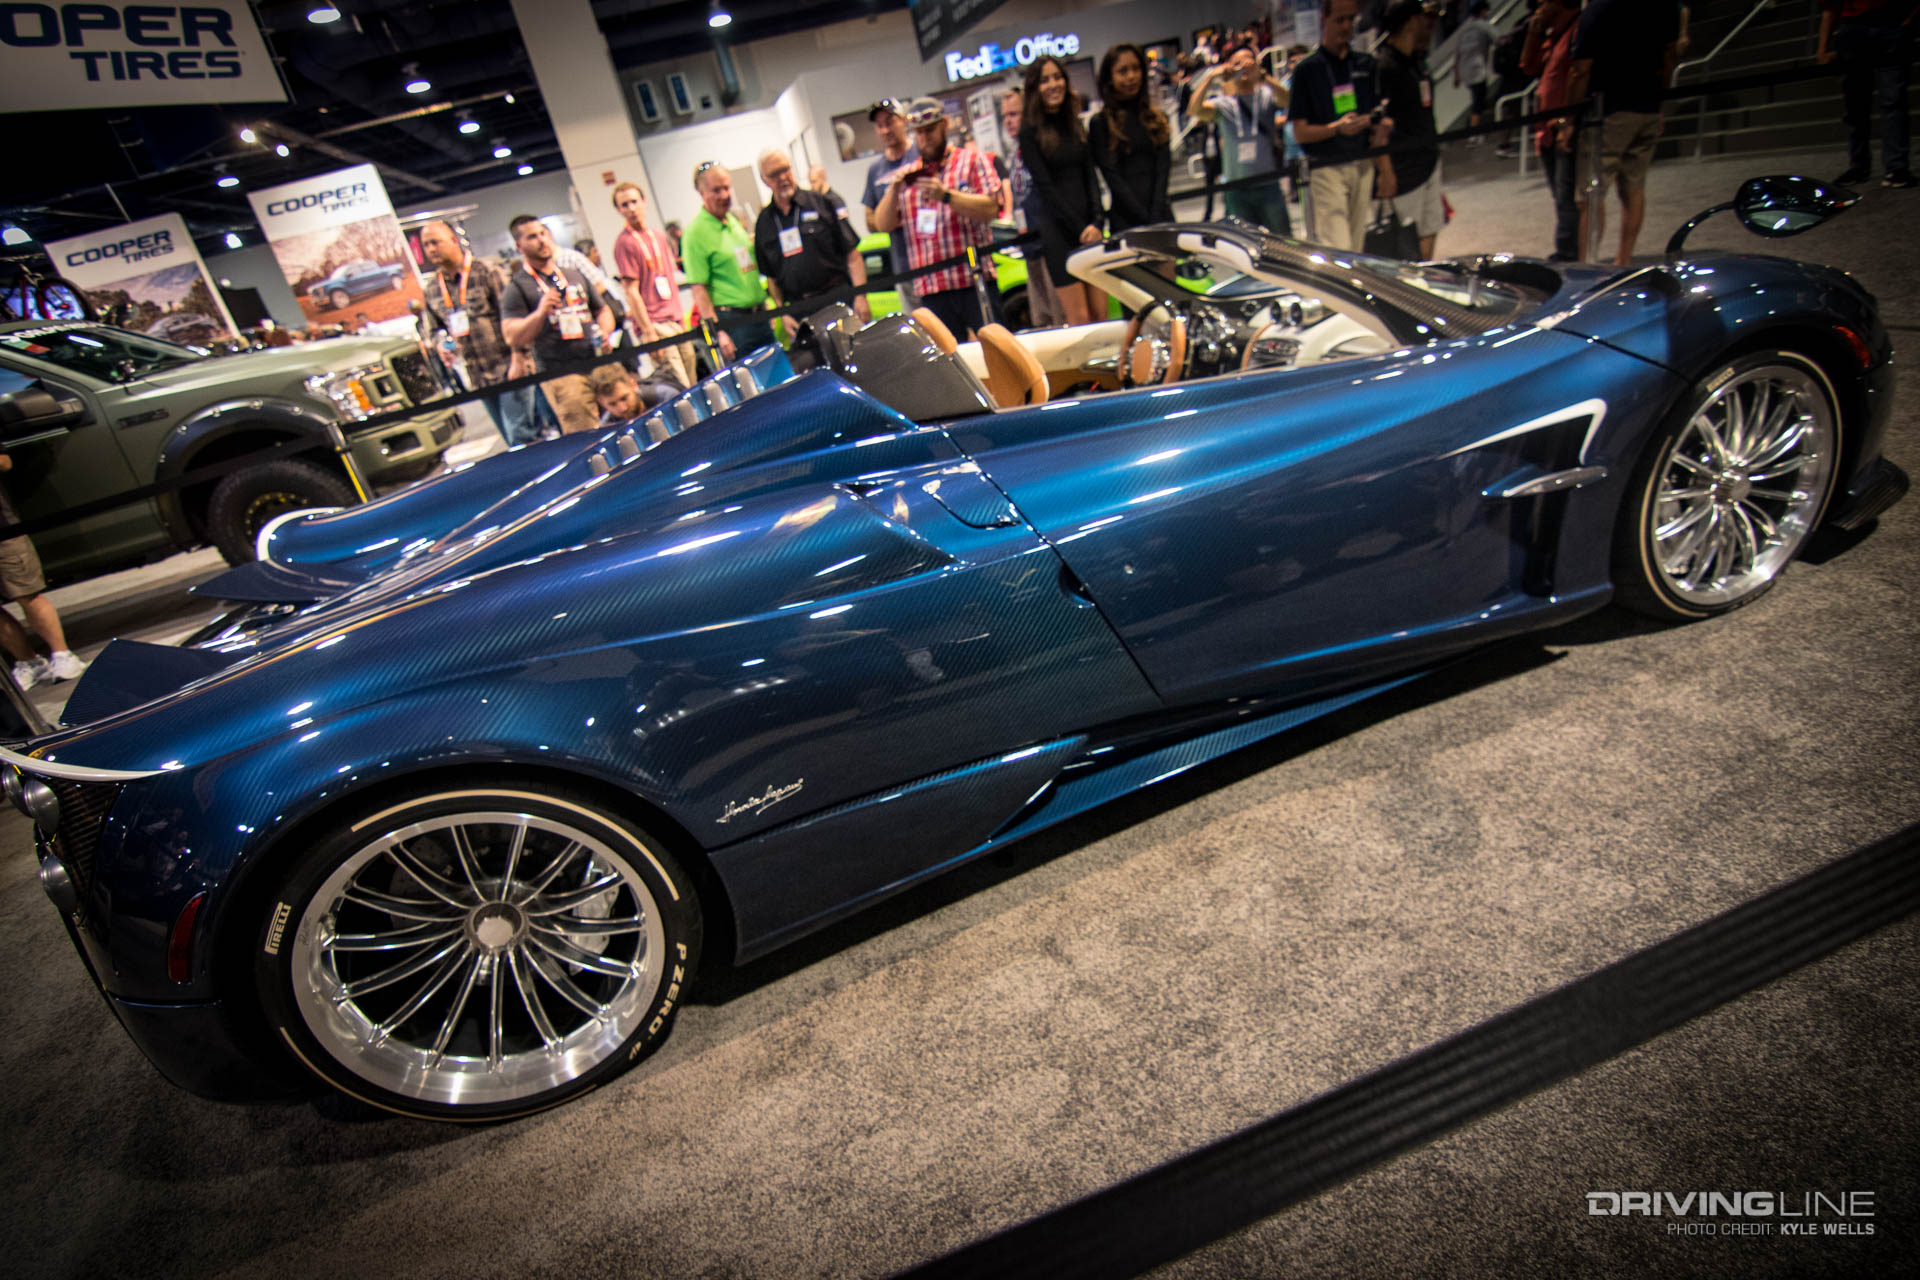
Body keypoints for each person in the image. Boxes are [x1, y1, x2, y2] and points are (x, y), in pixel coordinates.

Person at [1562, 0, 1682, 264]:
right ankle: (1623, 260)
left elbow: (1580, 70)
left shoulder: (1599, 8)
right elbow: (1670, 54)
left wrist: (1569, 120)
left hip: (1608, 112)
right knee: (1634, 188)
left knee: (1592, 195)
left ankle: (1588, 267)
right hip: (1647, 105)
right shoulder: (1664, 5)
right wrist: (1660, 99)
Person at [873, 98, 1003, 338]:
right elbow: (882, 224)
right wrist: (893, 191)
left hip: (973, 281)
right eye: (919, 133)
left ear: (944, 125)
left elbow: (992, 208)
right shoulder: (908, 175)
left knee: (995, 348)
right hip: (931, 290)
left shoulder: (972, 161)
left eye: (930, 130)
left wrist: (946, 196)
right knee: (947, 357)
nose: (925, 138)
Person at [500, 213, 620, 435]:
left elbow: (602, 310)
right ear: (519, 245)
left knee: (628, 414)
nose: (541, 240)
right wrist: (540, 313)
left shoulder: (572, 274)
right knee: (585, 435)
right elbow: (511, 336)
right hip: (561, 373)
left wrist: (605, 333)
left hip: (598, 360)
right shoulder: (517, 287)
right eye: (532, 237)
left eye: (543, 233)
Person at [1292, 0, 1396, 251]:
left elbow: (1378, 119)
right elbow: (1300, 132)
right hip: (1327, 168)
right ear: (1324, 20)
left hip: (1362, 163)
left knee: (1357, 247)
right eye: (1340, 20)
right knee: (1339, 246)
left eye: (1351, 19)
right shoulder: (1307, 70)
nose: (1346, 26)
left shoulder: (1365, 64)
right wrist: (1337, 128)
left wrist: (1384, 167)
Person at [417, 219, 528, 444]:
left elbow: (513, 319)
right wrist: (441, 344)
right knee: (509, 439)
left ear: (453, 240)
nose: (431, 249)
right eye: (426, 245)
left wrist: (520, 358)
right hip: (477, 377)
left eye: (435, 242)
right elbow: (434, 329)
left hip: (508, 368)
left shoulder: (486, 271)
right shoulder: (432, 288)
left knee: (520, 435)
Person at [1017, 59, 1105, 325]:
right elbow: (1046, 189)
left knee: (1101, 316)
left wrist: (1097, 221)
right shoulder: (1029, 133)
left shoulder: (1074, 123)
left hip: (1092, 229)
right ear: (1034, 88)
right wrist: (1081, 229)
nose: (1053, 84)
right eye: (1045, 80)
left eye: (1057, 77)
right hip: (1059, 233)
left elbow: (1091, 176)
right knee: (1081, 320)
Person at [753, 149, 869, 321]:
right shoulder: (764, 222)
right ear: (764, 179)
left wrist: (861, 297)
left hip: (837, 299)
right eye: (775, 174)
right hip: (799, 310)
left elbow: (852, 254)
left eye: (785, 169)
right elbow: (771, 277)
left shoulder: (821, 203)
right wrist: (782, 313)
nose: (783, 177)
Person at [0, 458, 85, 690]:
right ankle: (30, 662)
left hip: (4, 532)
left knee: (27, 594)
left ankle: (63, 655)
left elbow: (5, 462)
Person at [1190, 47, 1292, 234]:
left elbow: (1288, 100)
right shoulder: (1224, 104)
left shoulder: (1267, 95)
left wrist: (1263, 77)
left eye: (1248, 61)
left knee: (1282, 238)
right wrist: (1211, 77)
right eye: (1238, 63)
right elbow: (1194, 109)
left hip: (1267, 184)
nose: (1244, 67)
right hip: (1236, 188)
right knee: (1242, 241)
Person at [681, 161, 774, 362]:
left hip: (758, 316)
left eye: (726, 188)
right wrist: (719, 332)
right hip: (732, 324)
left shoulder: (733, 222)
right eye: (716, 190)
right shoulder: (695, 233)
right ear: (701, 192)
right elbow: (699, 289)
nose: (724, 195)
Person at [1817, 0, 1914, 188]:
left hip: (1889, 23)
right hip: (1857, 28)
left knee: (1892, 101)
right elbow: (1830, 6)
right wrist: (1822, 48)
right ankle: (1864, 165)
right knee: (1857, 104)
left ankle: (1893, 167)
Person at [611, 181, 696, 389]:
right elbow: (631, 291)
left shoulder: (658, 236)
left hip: (674, 319)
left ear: (644, 202)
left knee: (692, 379)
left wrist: (680, 318)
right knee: (679, 385)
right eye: (624, 205)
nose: (631, 208)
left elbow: (669, 279)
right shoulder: (624, 243)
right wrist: (648, 331)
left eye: (634, 201)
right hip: (654, 324)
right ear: (618, 210)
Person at [1376, 0, 1444, 259]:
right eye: (1423, 18)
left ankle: (1424, 278)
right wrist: (1385, 170)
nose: (1428, 24)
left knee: (1431, 227)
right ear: (1412, 21)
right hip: (1403, 170)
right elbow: (1378, 124)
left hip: (1429, 159)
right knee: (1403, 242)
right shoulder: (1385, 66)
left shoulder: (1417, 61)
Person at [1090, 43, 1174, 235]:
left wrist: (1155, 217)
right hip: (1125, 222)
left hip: (1161, 216)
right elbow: (1112, 176)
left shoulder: (1157, 118)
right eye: (1123, 71)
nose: (1131, 76)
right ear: (1109, 77)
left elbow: (1163, 171)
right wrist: (1144, 219)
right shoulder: (1100, 123)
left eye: (1136, 69)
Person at [1523, 0, 1584, 260]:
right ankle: (1568, 251)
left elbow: (1580, 74)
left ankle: (1569, 254)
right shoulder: (1551, 37)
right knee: (1559, 194)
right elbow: (1528, 66)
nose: (1538, 9)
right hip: (1546, 130)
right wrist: (1533, 32)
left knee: (1567, 195)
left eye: (1543, 3)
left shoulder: (1579, 29)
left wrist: (1568, 121)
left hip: (1567, 128)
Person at [1001, 87, 1068, 327]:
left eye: (1014, 114)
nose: (1008, 121)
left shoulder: (1043, 147)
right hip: (1030, 250)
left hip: (1051, 246)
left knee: (1062, 319)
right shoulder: (1016, 155)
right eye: (1005, 116)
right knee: (1042, 320)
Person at [860, 99, 921, 314]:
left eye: (889, 122)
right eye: (879, 126)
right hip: (904, 268)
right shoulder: (875, 169)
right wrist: (890, 218)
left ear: (903, 120)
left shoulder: (920, 154)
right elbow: (870, 221)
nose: (885, 130)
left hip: (935, 262)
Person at [586, 363, 676, 435]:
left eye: (624, 398)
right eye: (612, 404)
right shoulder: (606, 430)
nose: (623, 408)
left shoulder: (666, 398)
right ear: (601, 403)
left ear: (634, 385)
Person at [1454, 0, 1498, 144]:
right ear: (1482, 11)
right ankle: (1474, 133)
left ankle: (1474, 130)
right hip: (1478, 71)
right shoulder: (1483, 26)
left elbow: (1457, 55)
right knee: (1478, 103)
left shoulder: (1464, 29)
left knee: (1476, 101)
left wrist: (1456, 75)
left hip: (1466, 72)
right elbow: (1499, 39)